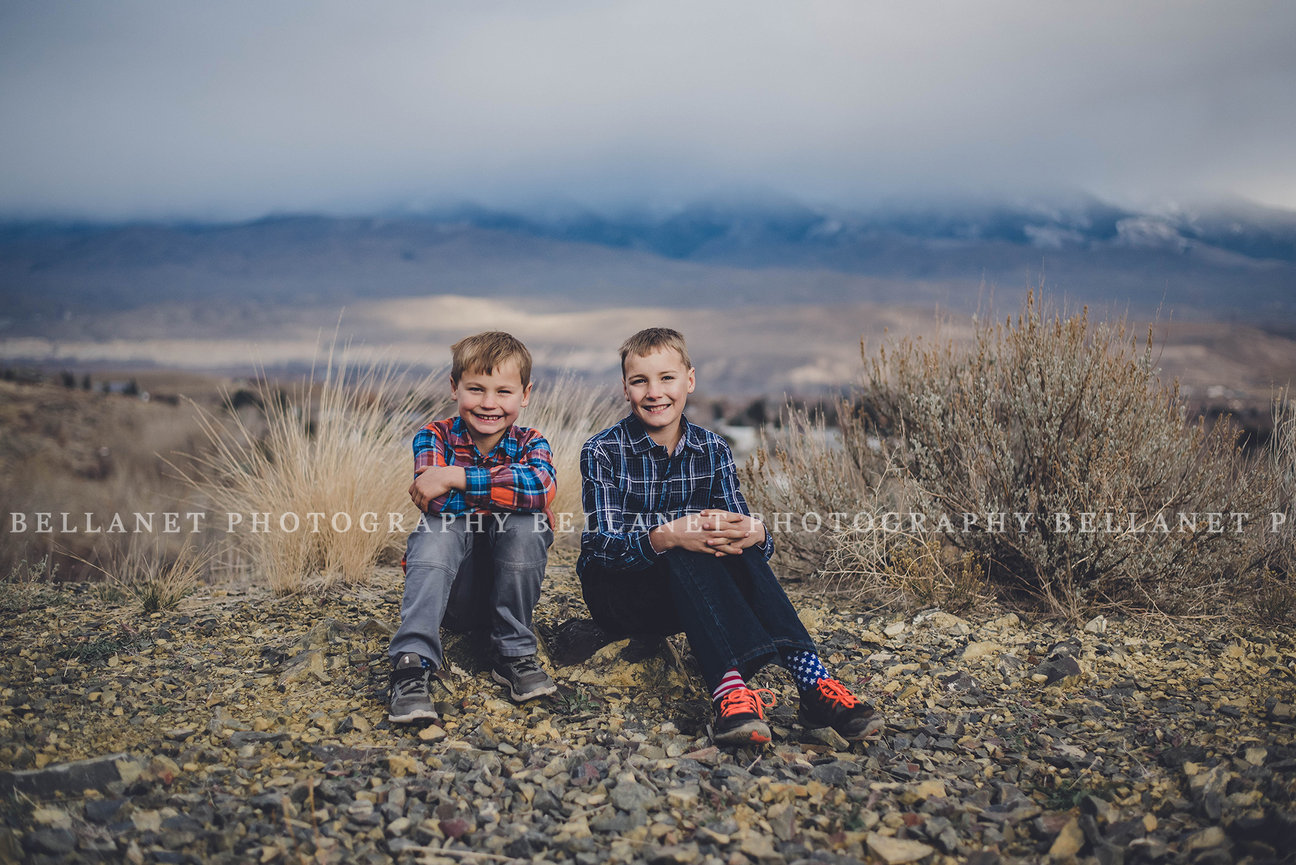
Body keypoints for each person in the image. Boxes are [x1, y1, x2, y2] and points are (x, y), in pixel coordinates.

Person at [578, 327, 875, 746]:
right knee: (686, 538)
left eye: (667, 378)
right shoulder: (603, 452)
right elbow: (601, 547)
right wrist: (665, 537)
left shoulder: (713, 449)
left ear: (690, 381)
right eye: (640, 380)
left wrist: (756, 531)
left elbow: (744, 544)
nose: (654, 392)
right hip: (620, 596)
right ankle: (730, 691)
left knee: (724, 534)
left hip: (689, 597)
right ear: (625, 389)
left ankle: (814, 683)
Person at [388, 331, 557, 723]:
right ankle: (411, 664)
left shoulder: (532, 442)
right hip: (451, 597)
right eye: (476, 389)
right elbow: (436, 500)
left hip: (509, 597)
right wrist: (509, 492)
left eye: (503, 391)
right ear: (454, 387)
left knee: (527, 524)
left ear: (525, 395)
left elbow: (540, 489)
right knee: (442, 527)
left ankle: (514, 654)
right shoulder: (435, 436)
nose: (489, 403)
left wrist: (456, 478)